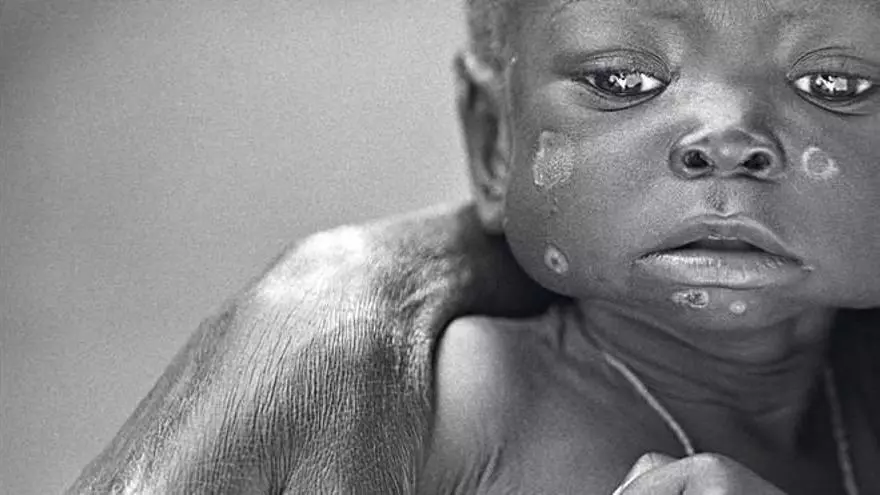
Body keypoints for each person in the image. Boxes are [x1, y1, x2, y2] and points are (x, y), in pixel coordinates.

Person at [68, 0, 880, 493]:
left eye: (835, 84)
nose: (729, 139)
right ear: (495, 141)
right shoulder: (456, 412)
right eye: (622, 80)